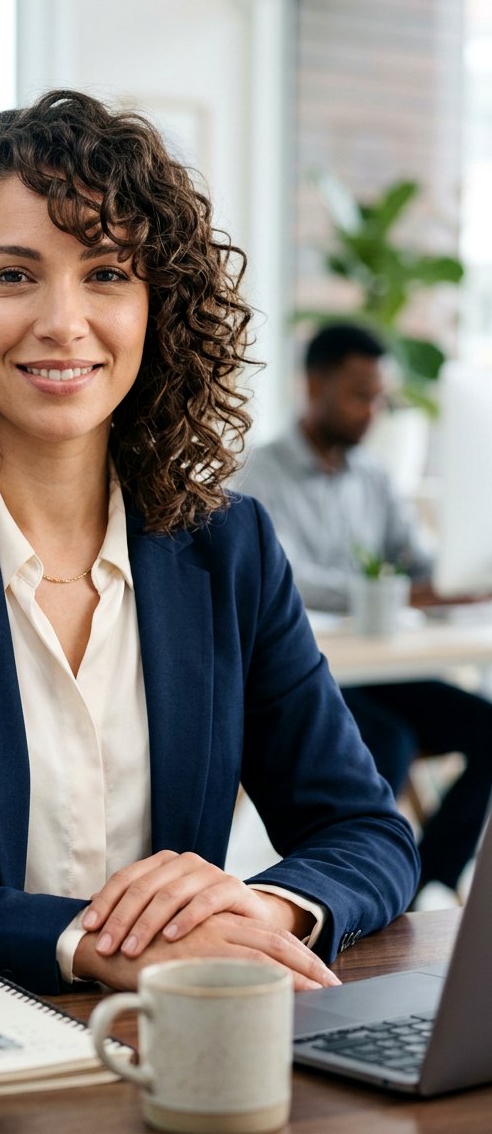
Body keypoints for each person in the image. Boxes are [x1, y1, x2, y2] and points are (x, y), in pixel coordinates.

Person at [0, 92, 418, 997]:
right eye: (14, 275)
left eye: (106, 274)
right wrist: (89, 941)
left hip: (176, 1050)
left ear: (157, 308)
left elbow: (367, 832)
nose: (63, 321)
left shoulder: (229, 547)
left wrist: (269, 909)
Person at [239, 322, 492, 906]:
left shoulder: (374, 476)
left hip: (383, 668)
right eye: (359, 393)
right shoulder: (262, 475)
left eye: (379, 396)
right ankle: (357, 889)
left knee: (488, 728)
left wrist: (454, 578)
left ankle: (426, 881)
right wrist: (397, 593)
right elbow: (291, 580)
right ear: (314, 386)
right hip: (315, 673)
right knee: (388, 741)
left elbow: (418, 562)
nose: (372, 410)